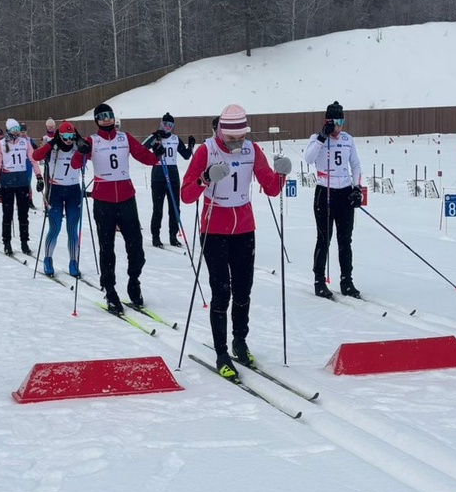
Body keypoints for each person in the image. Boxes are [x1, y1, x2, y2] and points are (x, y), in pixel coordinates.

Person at [180, 103, 290, 379]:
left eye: (242, 137)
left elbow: (272, 189)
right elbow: (186, 194)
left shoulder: (252, 150)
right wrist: (205, 179)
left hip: (244, 229)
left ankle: (240, 341)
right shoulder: (206, 151)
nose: (237, 143)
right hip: (214, 229)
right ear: (221, 132)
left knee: (243, 291)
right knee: (222, 292)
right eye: (232, 139)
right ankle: (221, 352)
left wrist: (281, 172)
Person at [83, 102, 158, 313]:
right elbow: (76, 164)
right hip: (103, 199)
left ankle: (134, 282)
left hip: (126, 198)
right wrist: (81, 151)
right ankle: (110, 290)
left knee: (136, 246)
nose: (107, 119)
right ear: (97, 120)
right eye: (102, 116)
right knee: (107, 248)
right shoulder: (93, 140)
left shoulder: (125, 138)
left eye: (110, 115)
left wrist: (157, 153)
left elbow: (145, 156)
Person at [303, 100, 364, 299]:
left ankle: (347, 280)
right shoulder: (316, 139)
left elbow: (355, 165)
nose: (339, 126)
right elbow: (309, 159)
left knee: (345, 240)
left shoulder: (348, 139)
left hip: (344, 192)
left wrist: (356, 188)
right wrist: (322, 136)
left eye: (342, 121)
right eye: (336, 122)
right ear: (327, 121)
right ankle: (319, 280)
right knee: (324, 238)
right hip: (325, 191)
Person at [31, 120, 86, 277]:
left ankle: (73, 261)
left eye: (71, 135)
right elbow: (36, 156)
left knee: (72, 229)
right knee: (54, 228)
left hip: (74, 190)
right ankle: (48, 259)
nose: (68, 139)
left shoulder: (76, 146)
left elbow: (90, 154)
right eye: (65, 136)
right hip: (55, 190)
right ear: (59, 135)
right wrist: (52, 143)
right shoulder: (52, 146)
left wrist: (82, 144)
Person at [146, 112, 194, 248]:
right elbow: (142, 149)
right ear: (161, 123)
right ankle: (156, 237)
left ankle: (173, 236)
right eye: (166, 124)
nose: (168, 127)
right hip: (158, 174)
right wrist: (154, 146)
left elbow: (185, 155)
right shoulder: (156, 137)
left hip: (173, 174)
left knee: (174, 207)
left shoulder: (175, 138)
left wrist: (190, 146)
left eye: (171, 125)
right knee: (158, 208)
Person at [0, 118, 36, 257]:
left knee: (23, 214)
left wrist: (39, 176)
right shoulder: (1, 144)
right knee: (8, 213)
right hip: (7, 181)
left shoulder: (25, 142)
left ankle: (24, 241)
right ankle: (7, 242)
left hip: (22, 180)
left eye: (18, 130)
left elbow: (33, 159)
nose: (17, 133)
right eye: (14, 130)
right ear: (8, 130)